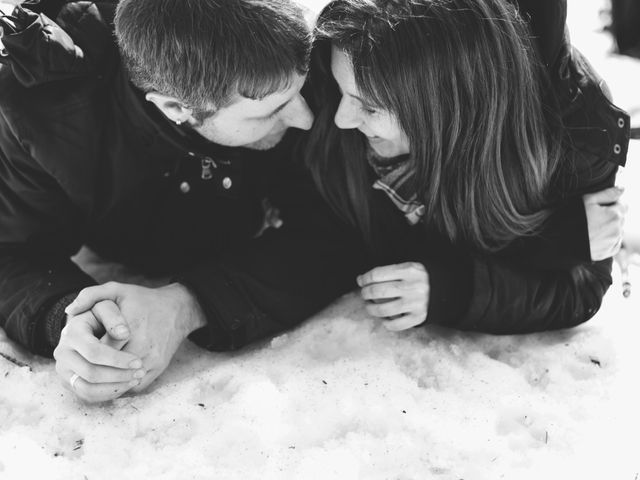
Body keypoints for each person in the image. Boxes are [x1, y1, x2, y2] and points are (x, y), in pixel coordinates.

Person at [0, 0, 627, 404]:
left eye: (310, 92)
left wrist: (547, 240)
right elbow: (9, 253)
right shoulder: (48, 122)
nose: (315, 118)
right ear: (177, 110)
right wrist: (72, 319)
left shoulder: (326, 72)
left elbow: (350, 228)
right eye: (276, 109)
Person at [297, 0, 629, 331]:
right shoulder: (332, 74)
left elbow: (579, 289)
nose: (342, 119)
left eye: (369, 108)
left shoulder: (579, 130)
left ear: (452, 111)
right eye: (343, 92)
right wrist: (547, 243)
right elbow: (327, 236)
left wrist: (453, 293)